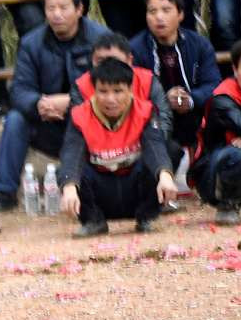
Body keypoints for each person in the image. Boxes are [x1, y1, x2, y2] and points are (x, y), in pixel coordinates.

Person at [0, 0, 112, 209]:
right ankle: (4, 194)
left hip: (91, 123)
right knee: (16, 119)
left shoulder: (102, 40)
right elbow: (19, 90)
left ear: (79, 9)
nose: (56, 15)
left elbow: (115, 87)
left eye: (63, 8)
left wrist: (70, 101)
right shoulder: (31, 43)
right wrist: (39, 103)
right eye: (50, 9)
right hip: (49, 121)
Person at [60, 57, 173, 235]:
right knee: (72, 174)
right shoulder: (79, 115)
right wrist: (69, 186)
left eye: (118, 91)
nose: (110, 99)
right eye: (103, 92)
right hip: (99, 191)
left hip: (134, 188)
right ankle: (93, 221)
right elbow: (72, 153)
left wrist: (165, 175)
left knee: (159, 166)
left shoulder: (145, 111)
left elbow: (155, 146)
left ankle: (146, 218)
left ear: (130, 90)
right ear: (93, 91)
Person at [128, 0, 220, 159]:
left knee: (220, 105)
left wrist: (190, 99)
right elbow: (132, 92)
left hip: (194, 111)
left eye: (166, 10)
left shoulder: (199, 44)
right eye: (152, 11)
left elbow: (214, 84)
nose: (159, 17)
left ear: (180, 15)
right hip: (155, 118)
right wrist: (163, 100)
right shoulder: (135, 49)